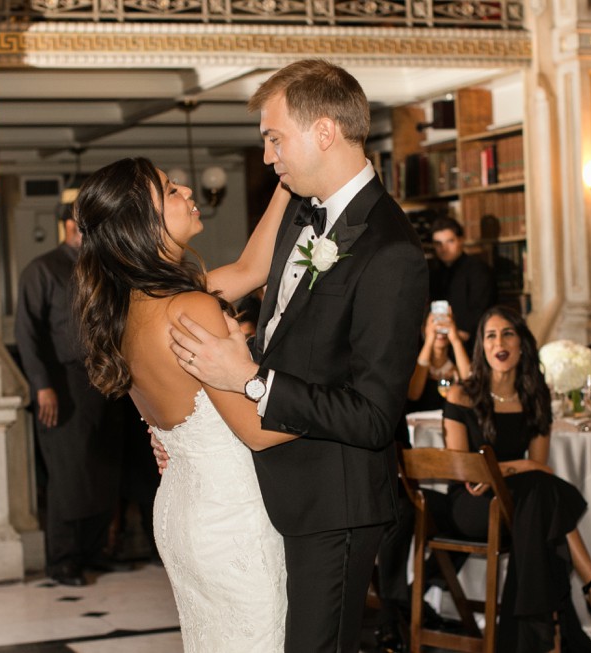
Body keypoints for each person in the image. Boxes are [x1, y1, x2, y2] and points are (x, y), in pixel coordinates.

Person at [165, 59, 428, 652]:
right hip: (275, 492)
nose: (267, 156)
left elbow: (372, 416)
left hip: (333, 502)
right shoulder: (304, 214)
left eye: (274, 137)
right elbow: (286, 333)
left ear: (325, 132)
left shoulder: (391, 251)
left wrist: (252, 381)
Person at [74, 157, 295, 650]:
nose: (187, 189)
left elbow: (251, 268)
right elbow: (256, 432)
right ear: (141, 222)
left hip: (181, 511)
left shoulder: (130, 310)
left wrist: (287, 183)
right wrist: (348, 406)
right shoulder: (192, 307)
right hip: (232, 515)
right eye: (170, 191)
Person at [433, 306, 591, 653]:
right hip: (471, 506)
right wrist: (510, 468)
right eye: (490, 335)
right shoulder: (462, 395)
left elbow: (538, 466)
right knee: (543, 496)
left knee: (539, 505)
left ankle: (538, 641)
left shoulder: (536, 397)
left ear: (522, 344)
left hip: (519, 504)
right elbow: (463, 471)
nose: (499, 342)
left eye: (508, 334)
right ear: (482, 348)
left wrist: (500, 470)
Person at [15, 208, 126, 587]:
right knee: (68, 474)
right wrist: (41, 385)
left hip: (104, 379)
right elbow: (27, 333)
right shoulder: (42, 269)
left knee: (103, 467)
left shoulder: (102, 266)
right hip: (61, 381)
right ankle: (62, 561)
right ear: (66, 226)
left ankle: (95, 552)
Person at [428, 217, 497, 352]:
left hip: (474, 342)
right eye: (438, 244)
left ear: (461, 240)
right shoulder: (432, 273)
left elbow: (483, 310)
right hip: (440, 342)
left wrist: (458, 334)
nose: (444, 248)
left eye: (450, 241)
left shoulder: (479, 270)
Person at [407, 307, 472, 412]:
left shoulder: (459, 361)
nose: (440, 327)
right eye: (435, 321)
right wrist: (429, 340)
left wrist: (455, 339)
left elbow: (471, 384)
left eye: (445, 322)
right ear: (424, 328)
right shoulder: (414, 359)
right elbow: (413, 394)